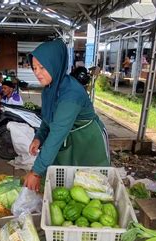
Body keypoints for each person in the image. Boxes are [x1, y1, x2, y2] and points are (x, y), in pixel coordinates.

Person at [23, 39, 110, 192]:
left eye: (42, 68)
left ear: (55, 65)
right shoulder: (50, 88)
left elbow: (56, 134)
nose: (37, 72)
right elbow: (48, 118)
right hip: (69, 136)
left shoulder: (71, 94)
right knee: (71, 184)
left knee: (93, 186)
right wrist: (39, 137)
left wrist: (36, 172)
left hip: (88, 141)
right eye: (34, 67)